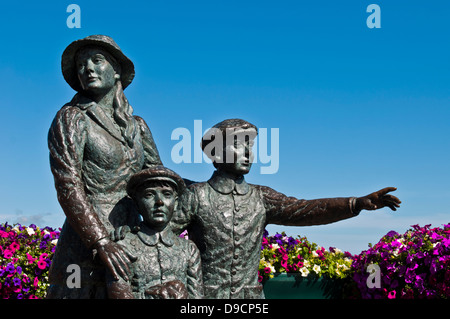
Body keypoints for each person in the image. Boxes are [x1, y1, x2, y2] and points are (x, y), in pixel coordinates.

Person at [171, 118, 401, 299]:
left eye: (251, 147)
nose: (250, 154)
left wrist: (355, 204)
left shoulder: (261, 196)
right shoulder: (196, 195)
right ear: (217, 153)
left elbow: (304, 210)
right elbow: (165, 240)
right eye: (240, 146)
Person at [47, 35, 162, 298]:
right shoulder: (72, 118)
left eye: (97, 61)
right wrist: (101, 241)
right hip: (83, 251)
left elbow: (159, 180)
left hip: (131, 241)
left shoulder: (138, 126)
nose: (87, 68)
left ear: (117, 70)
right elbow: (68, 186)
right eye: (81, 65)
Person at [107, 166, 203, 299]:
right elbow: (118, 294)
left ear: (175, 204)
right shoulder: (123, 246)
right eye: (149, 195)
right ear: (137, 204)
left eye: (167, 194)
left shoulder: (189, 249)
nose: (159, 202)